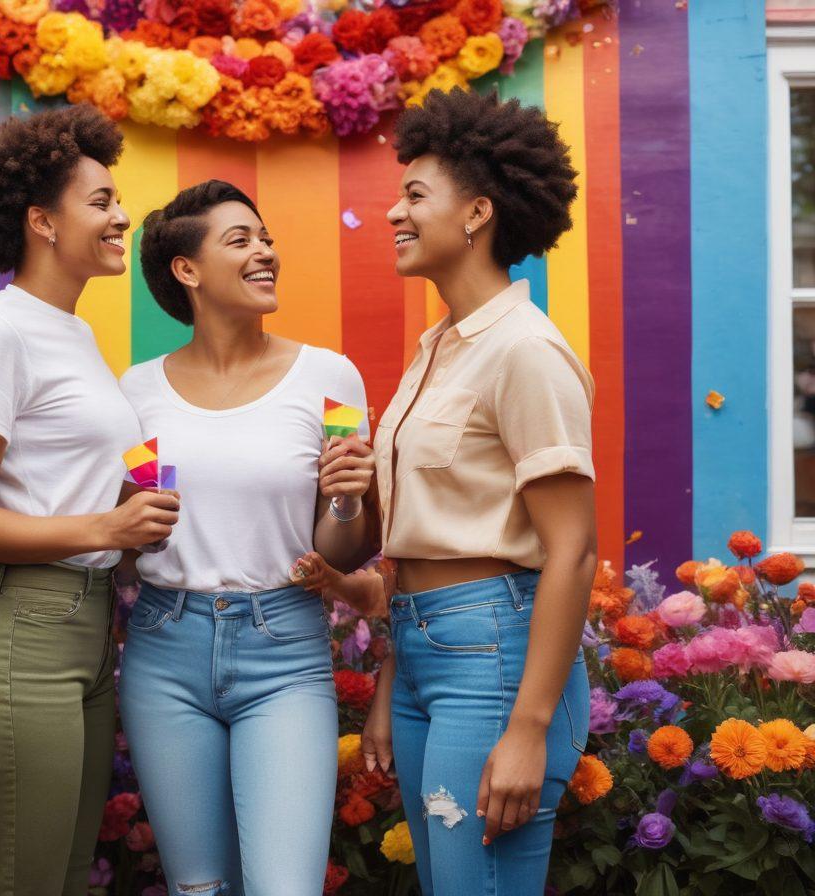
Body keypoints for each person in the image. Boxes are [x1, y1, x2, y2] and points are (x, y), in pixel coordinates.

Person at [323, 88, 596, 896]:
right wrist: (393, 683)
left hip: (495, 657)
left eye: (414, 195)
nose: (393, 214)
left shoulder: (525, 351)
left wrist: (529, 730)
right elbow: (414, 544)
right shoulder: (436, 350)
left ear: (477, 213)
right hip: (424, 650)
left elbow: (573, 551)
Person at [0, 106, 180, 896]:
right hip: (17, 637)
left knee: (67, 880)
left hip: (83, 629)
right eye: (100, 201)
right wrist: (105, 524)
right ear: (42, 220)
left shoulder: (71, 335)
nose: (123, 216)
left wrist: (137, 515)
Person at [117, 180, 378, 896]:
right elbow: (135, 534)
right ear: (186, 270)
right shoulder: (137, 394)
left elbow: (341, 546)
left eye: (265, 238)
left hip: (284, 651)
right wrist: (127, 523)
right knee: (197, 889)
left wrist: (350, 502)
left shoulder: (328, 379)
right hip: (164, 650)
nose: (266, 252)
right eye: (241, 241)